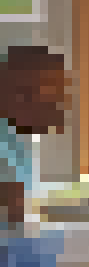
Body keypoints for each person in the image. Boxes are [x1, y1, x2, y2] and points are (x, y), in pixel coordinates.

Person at [0, 46, 69, 225]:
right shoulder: (9, 146)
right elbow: (14, 216)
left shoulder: (17, 140)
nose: (56, 109)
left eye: (58, 98)